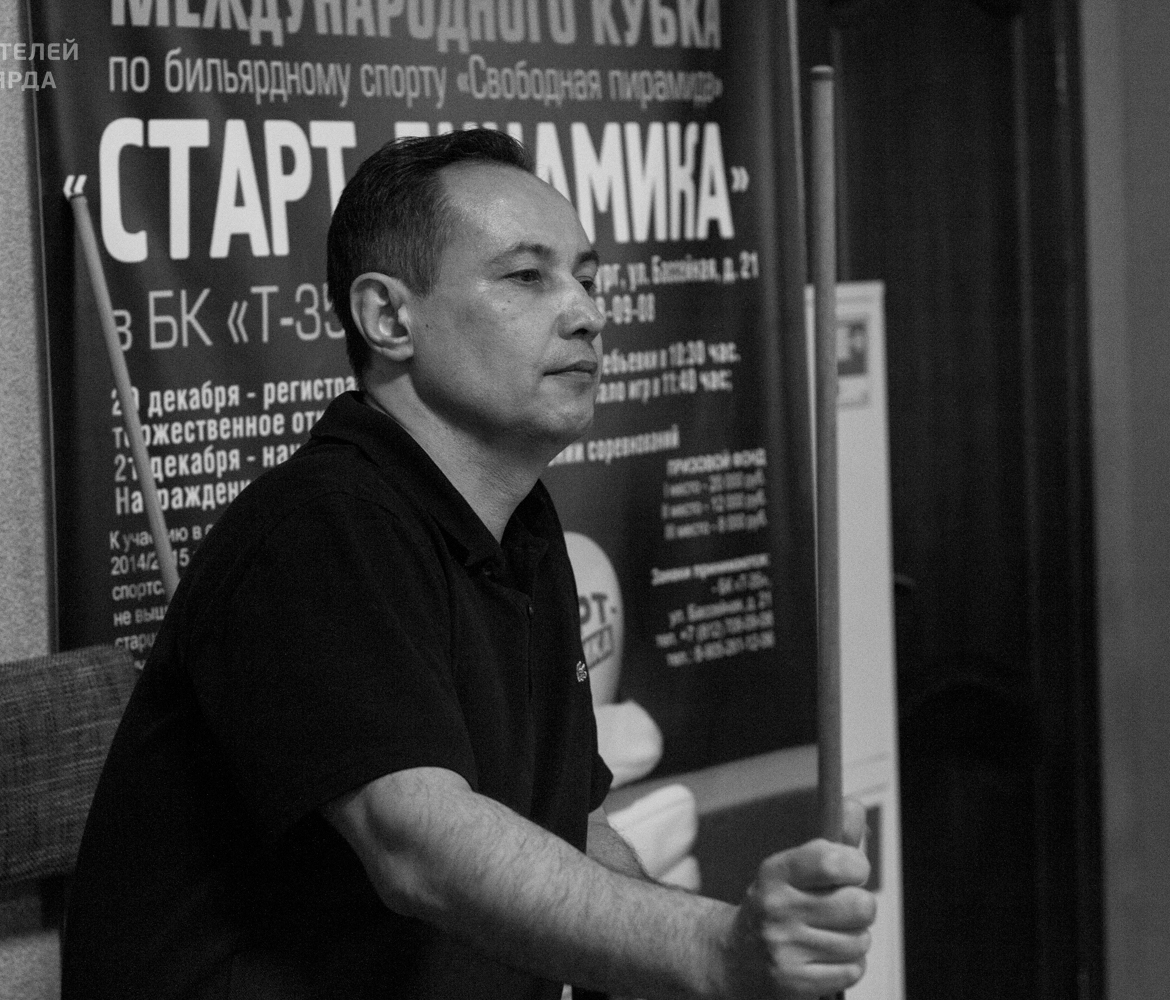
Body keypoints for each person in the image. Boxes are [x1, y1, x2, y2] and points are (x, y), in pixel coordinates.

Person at [63, 128, 874, 1000]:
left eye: (588, 279)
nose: (587, 313)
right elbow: (417, 846)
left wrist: (706, 974)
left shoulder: (520, 523)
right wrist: (713, 951)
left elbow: (573, 833)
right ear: (388, 318)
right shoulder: (320, 526)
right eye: (527, 277)